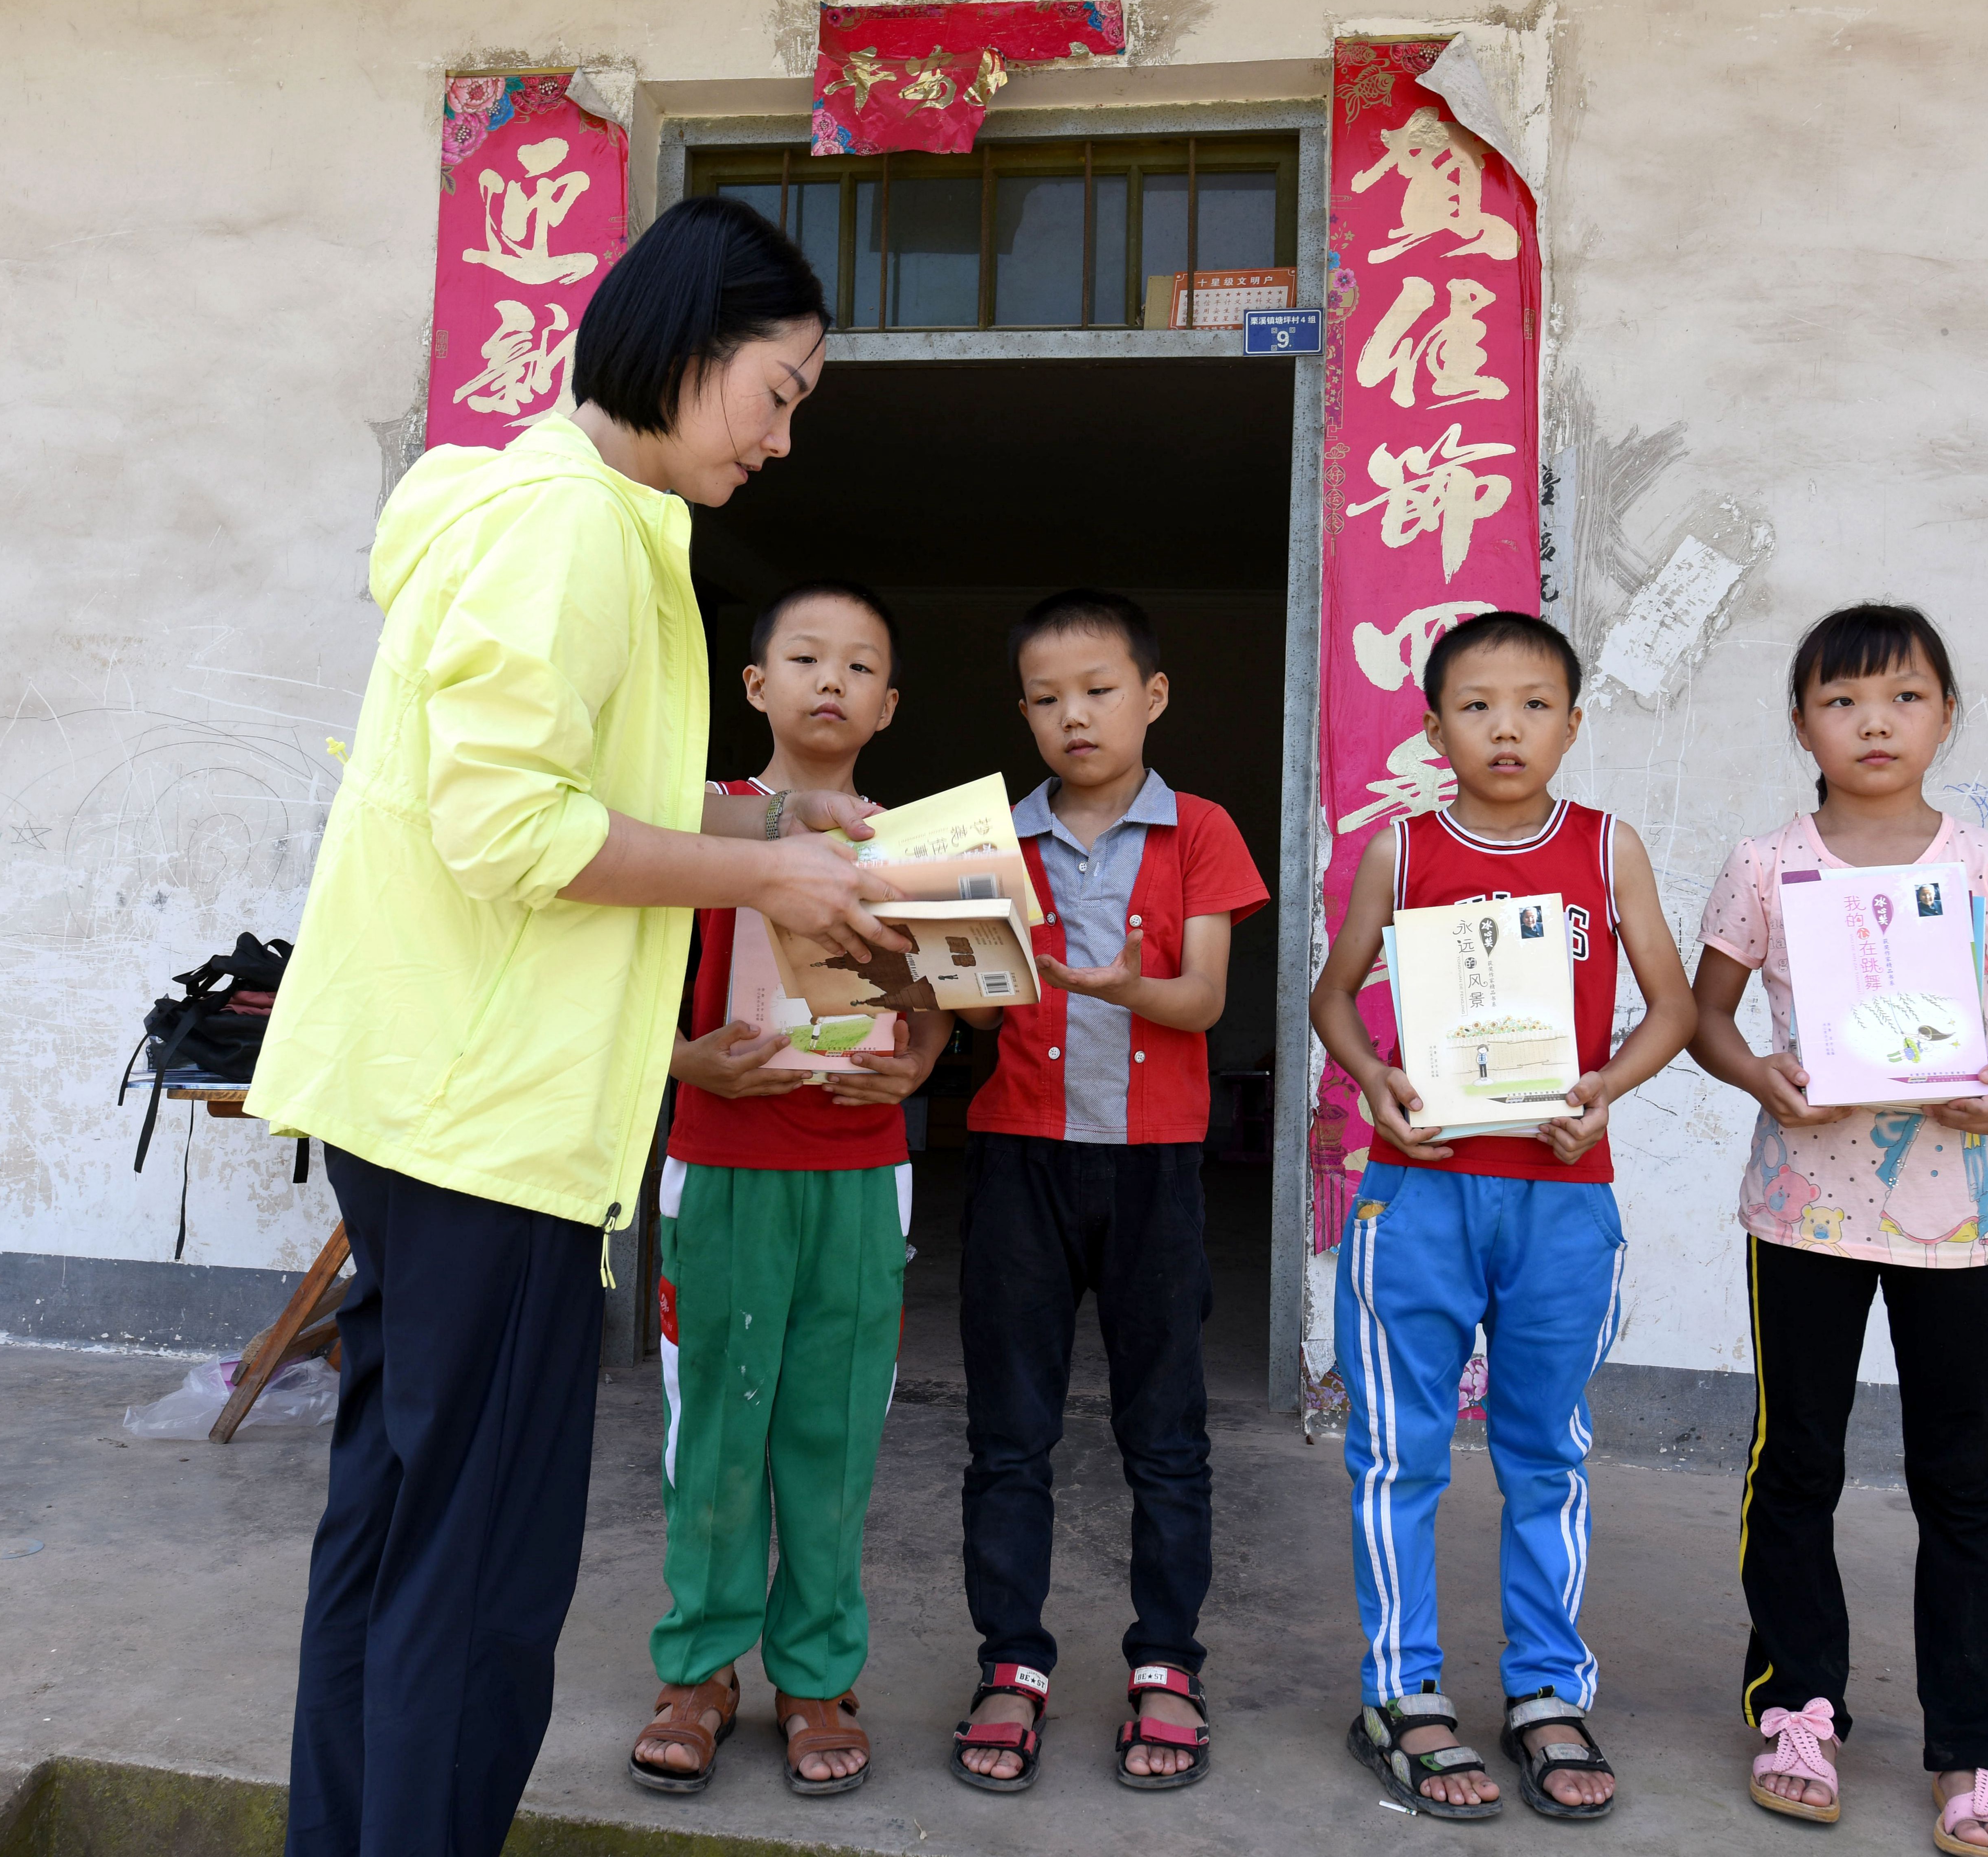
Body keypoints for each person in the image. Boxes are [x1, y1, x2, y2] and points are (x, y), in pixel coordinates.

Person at [245, 197, 903, 1857]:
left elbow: (584, 790)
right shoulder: (572, 530)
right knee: (474, 1573)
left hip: (429, 1101)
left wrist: (767, 822)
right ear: (686, 346)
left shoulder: (550, 509)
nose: (782, 436)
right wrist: (766, 882)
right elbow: (510, 828)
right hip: (493, 1120)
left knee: (395, 1529)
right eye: (778, 389)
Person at [1688, 603, 1988, 1854]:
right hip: (1804, 1212)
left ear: (1946, 715)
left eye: (1905, 697)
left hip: (1957, 1220)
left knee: (1961, 1477)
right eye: (1843, 699)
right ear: (1801, 722)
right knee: (1796, 1461)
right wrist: (1762, 1076)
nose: (1876, 722)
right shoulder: (1768, 865)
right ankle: (1797, 1707)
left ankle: (1976, 1747)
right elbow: (1707, 1018)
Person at [1308, 611, 1698, 1822]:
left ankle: (1546, 1689)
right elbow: (1334, 997)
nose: (1507, 728)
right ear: (1435, 730)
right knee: (1399, 1453)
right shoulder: (1401, 851)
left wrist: (1605, 1090)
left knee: (1546, 1452)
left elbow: (1674, 1008)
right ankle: (1402, 1692)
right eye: (1477, 706)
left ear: (1573, 724)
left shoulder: (1608, 847)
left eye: (1535, 705)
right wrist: (1376, 1081)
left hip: (1563, 1193)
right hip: (1419, 1189)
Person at [628, 580, 948, 1797]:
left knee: (834, 1432)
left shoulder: (913, 844)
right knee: (714, 1428)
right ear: (755, 685)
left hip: (861, 1175)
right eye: (806, 658)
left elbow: (946, 993)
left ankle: (817, 1676)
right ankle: (699, 1670)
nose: (833, 681)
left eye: (860, 666)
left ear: (890, 705)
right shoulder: (695, 823)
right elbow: (612, 973)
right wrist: (680, 1064)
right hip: (721, 1165)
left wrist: (923, 1055)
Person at [946, 590, 1267, 1793]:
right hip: (1018, 1160)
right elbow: (978, 1011)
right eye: (1046, 698)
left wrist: (1128, 987)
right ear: (1024, 712)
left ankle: (1167, 1663)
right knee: (1008, 1433)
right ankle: (1011, 1663)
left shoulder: (1203, 831)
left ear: (1153, 696)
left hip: (1155, 1168)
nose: (1073, 715)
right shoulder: (993, 839)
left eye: (1098, 690)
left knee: (1165, 1432)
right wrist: (949, 971)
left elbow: (1204, 1001)